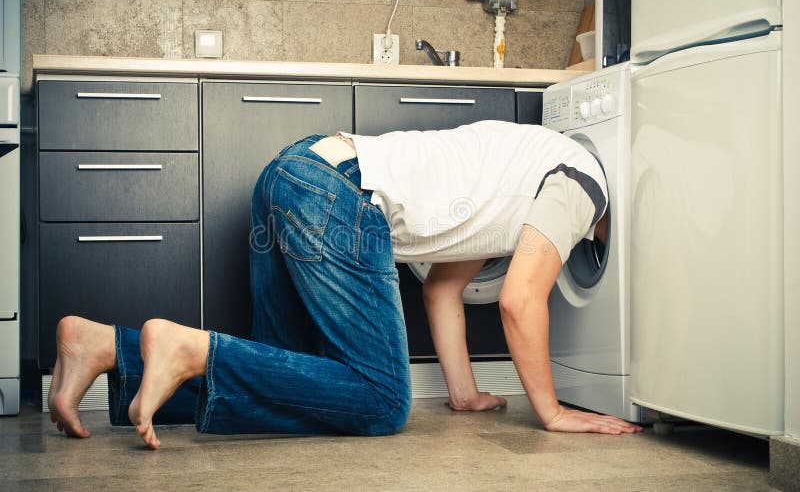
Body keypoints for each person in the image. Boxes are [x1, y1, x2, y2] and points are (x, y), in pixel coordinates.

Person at [49, 120, 641, 450]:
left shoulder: (528, 165)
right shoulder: (584, 184)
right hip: (341, 194)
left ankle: (107, 348)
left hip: (295, 168)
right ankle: (190, 348)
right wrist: (552, 412)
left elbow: (442, 288)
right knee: (382, 401)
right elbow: (520, 299)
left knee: (285, 378)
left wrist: (464, 395)